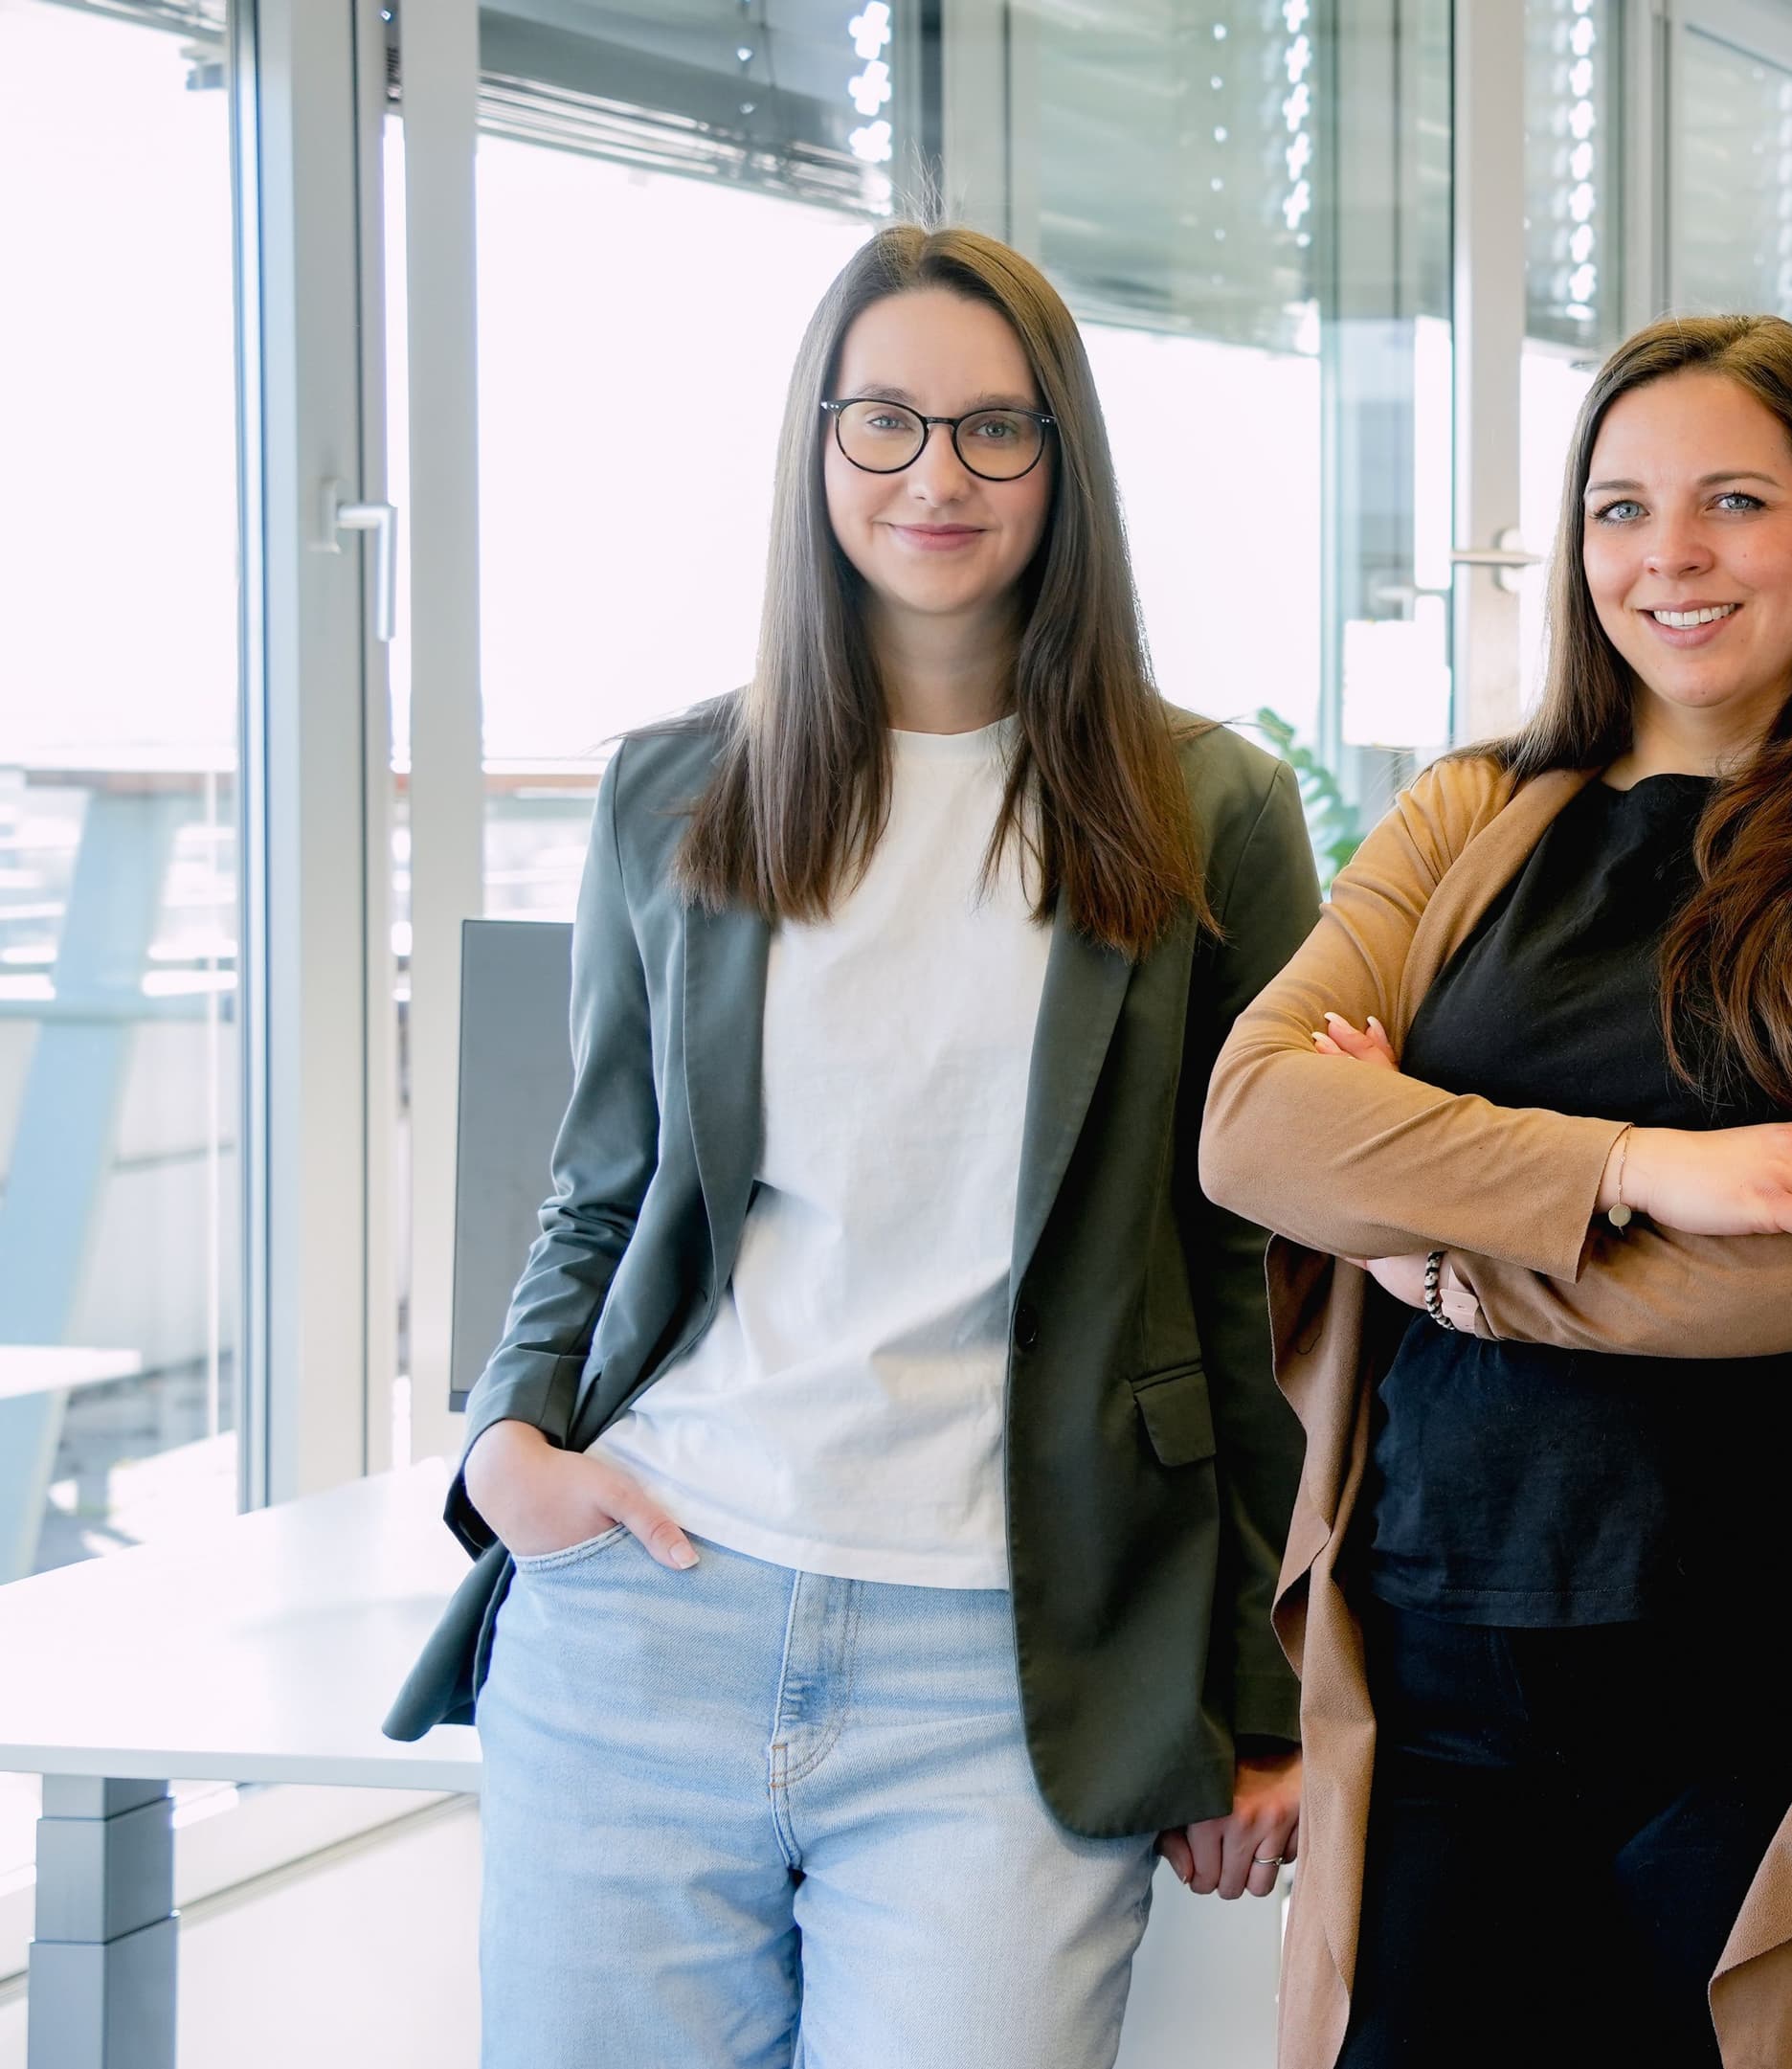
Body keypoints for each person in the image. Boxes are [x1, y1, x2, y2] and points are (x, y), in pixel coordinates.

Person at [382, 226, 1319, 2066]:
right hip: (651, 1608)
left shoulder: (1206, 809)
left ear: (1066, 463)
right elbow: (600, 1185)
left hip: (1007, 1661)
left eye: (995, 430)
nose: (936, 477)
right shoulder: (680, 793)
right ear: (817, 450)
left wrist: (1259, 1690)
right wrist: (503, 1444)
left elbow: (1258, 1284)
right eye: (883, 422)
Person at [1196, 314, 1792, 2069]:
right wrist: (1652, 1171)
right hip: (1441, 1652)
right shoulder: (1463, 818)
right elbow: (1253, 1129)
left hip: (1772, 1671)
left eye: (1732, 501)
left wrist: (1440, 1246)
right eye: (1619, 508)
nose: (1667, 556)